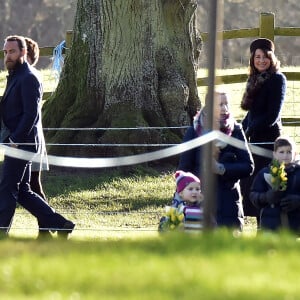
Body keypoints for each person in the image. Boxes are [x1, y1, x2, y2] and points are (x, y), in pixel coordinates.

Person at [0, 35, 75, 239]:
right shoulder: (15, 75)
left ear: (23, 52)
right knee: (23, 191)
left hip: (21, 144)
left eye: (12, 51)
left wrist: (16, 140)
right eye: (6, 52)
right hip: (15, 143)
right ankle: (62, 224)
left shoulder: (29, 77)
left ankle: (1, 233)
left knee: (7, 188)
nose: (8, 56)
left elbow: (31, 114)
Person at [178, 91, 254, 231]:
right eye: (220, 104)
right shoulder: (194, 132)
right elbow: (184, 169)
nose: (225, 108)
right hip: (200, 204)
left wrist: (222, 168)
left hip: (228, 203)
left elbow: (248, 166)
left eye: (226, 104)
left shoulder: (236, 130)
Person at [240, 38, 287, 226]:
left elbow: (272, 115)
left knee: (265, 184)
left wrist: (251, 129)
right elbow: (251, 113)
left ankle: (266, 226)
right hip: (253, 140)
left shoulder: (277, 79)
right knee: (249, 184)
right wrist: (240, 130)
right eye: (257, 57)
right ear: (252, 59)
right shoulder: (254, 79)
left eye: (265, 57)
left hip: (268, 141)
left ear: (271, 58)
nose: (261, 61)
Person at [250, 137, 300, 233]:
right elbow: (253, 195)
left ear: (294, 154)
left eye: (289, 152)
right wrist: (265, 197)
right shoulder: (265, 173)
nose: (285, 155)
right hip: (270, 225)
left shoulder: (298, 173)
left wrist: (298, 200)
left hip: (294, 226)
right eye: (281, 152)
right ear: (274, 154)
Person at [25, 36, 48, 201]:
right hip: (24, 138)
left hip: (29, 138)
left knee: (33, 184)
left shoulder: (30, 77)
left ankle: (51, 220)